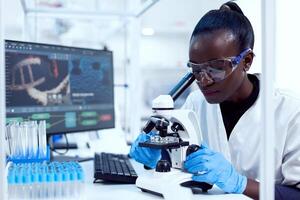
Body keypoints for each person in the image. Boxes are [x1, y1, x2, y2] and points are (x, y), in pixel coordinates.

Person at [129, 1, 300, 199]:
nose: (204, 80)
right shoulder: (195, 103)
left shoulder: (291, 112)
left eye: (216, 67)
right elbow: (178, 162)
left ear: (246, 61)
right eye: (196, 69)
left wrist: (240, 183)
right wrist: (156, 155)